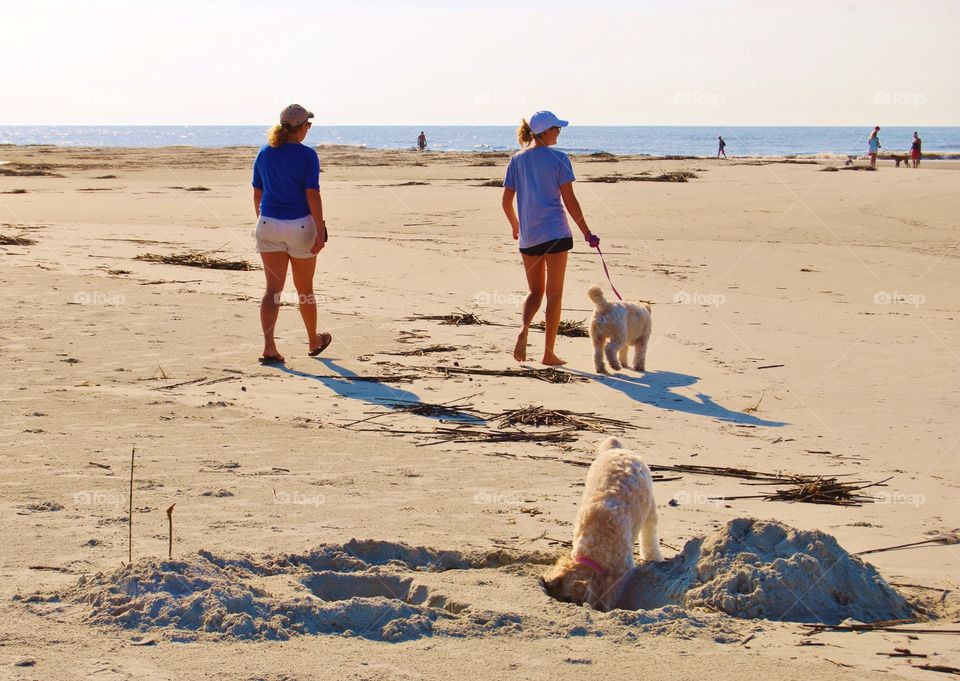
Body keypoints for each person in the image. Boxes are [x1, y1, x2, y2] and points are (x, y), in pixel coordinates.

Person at [501, 111, 597, 366]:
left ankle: (523, 329)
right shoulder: (559, 159)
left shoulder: (516, 161)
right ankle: (548, 353)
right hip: (556, 233)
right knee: (554, 295)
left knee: (534, 292)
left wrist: (515, 226)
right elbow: (570, 201)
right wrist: (587, 232)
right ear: (545, 132)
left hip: (529, 237)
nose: (559, 133)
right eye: (556, 129)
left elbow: (506, 201)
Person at [252, 104, 331, 364]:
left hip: (268, 224)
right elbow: (312, 194)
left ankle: (269, 347)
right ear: (300, 128)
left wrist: (263, 224)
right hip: (299, 226)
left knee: (272, 290)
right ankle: (313, 340)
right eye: (308, 124)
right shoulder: (307, 155)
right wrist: (320, 230)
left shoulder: (264, 152)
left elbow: (257, 193)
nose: (309, 128)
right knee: (304, 288)